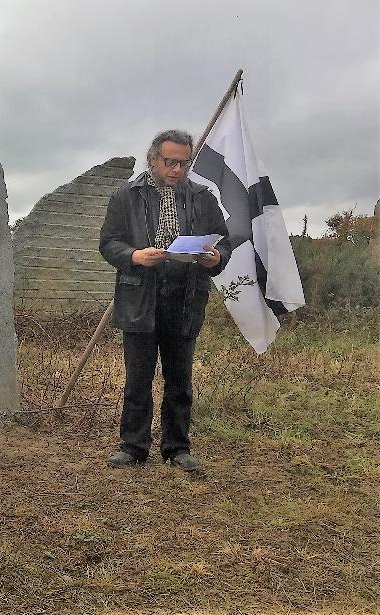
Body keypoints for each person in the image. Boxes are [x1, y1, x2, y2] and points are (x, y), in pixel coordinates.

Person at [98, 129, 231, 472]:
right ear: (152, 159)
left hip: (185, 298)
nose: (176, 169)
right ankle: (133, 446)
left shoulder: (203, 198)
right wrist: (136, 255)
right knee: (138, 377)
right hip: (140, 297)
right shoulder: (126, 196)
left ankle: (177, 448)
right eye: (169, 161)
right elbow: (109, 243)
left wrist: (216, 258)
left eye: (183, 162)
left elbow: (224, 242)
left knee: (180, 380)